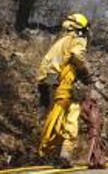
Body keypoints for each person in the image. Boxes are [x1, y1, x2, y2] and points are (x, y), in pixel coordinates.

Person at [35, 13, 93, 169]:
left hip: (47, 81)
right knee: (69, 116)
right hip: (61, 84)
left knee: (55, 117)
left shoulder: (61, 42)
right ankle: (63, 155)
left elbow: (49, 65)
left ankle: (53, 155)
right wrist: (85, 75)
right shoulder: (78, 40)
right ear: (82, 29)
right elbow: (77, 58)